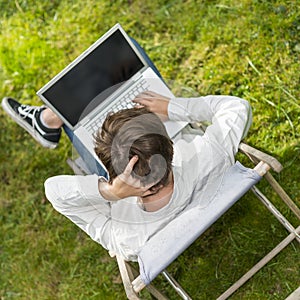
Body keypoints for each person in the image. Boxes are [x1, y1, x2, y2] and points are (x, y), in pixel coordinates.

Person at [1, 40, 252, 260]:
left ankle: (48, 119)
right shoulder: (211, 157)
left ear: (111, 171)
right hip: (190, 172)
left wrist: (110, 193)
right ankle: (49, 117)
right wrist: (174, 108)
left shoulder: (127, 238)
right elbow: (237, 108)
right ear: (169, 147)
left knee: (78, 116)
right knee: (126, 56)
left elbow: (53, 191)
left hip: (134, 175)